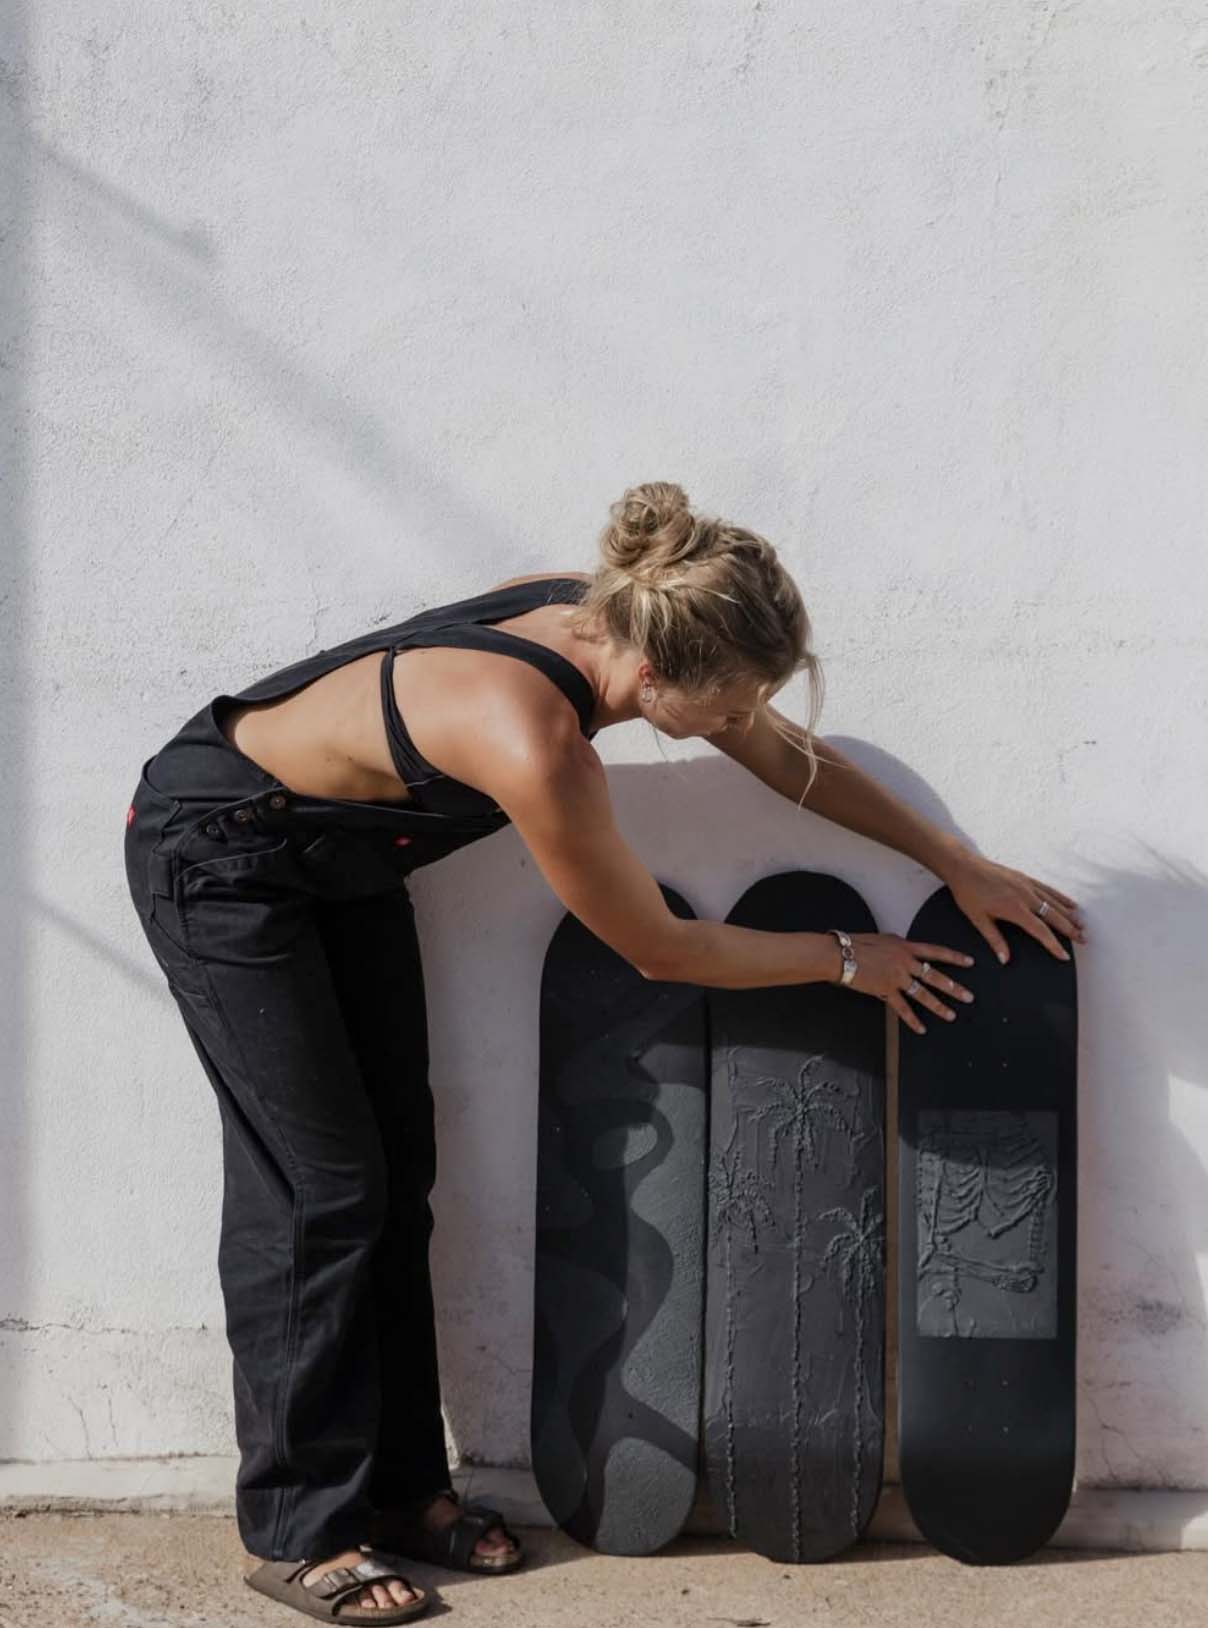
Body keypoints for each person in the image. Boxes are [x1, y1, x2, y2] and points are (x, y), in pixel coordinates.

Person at [123, 480, 1087, 1622]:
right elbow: (659, 948)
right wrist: (842, 958)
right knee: (319, 1194)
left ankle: (397, 1490)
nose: (744, 719)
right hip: (218, 858)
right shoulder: (536, 742)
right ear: (660, 677)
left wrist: (949, 861)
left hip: (339, 860)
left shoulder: (619, 613)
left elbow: (783, 760)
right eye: (732, 699)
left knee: (394, 1180)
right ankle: (299, 1527)